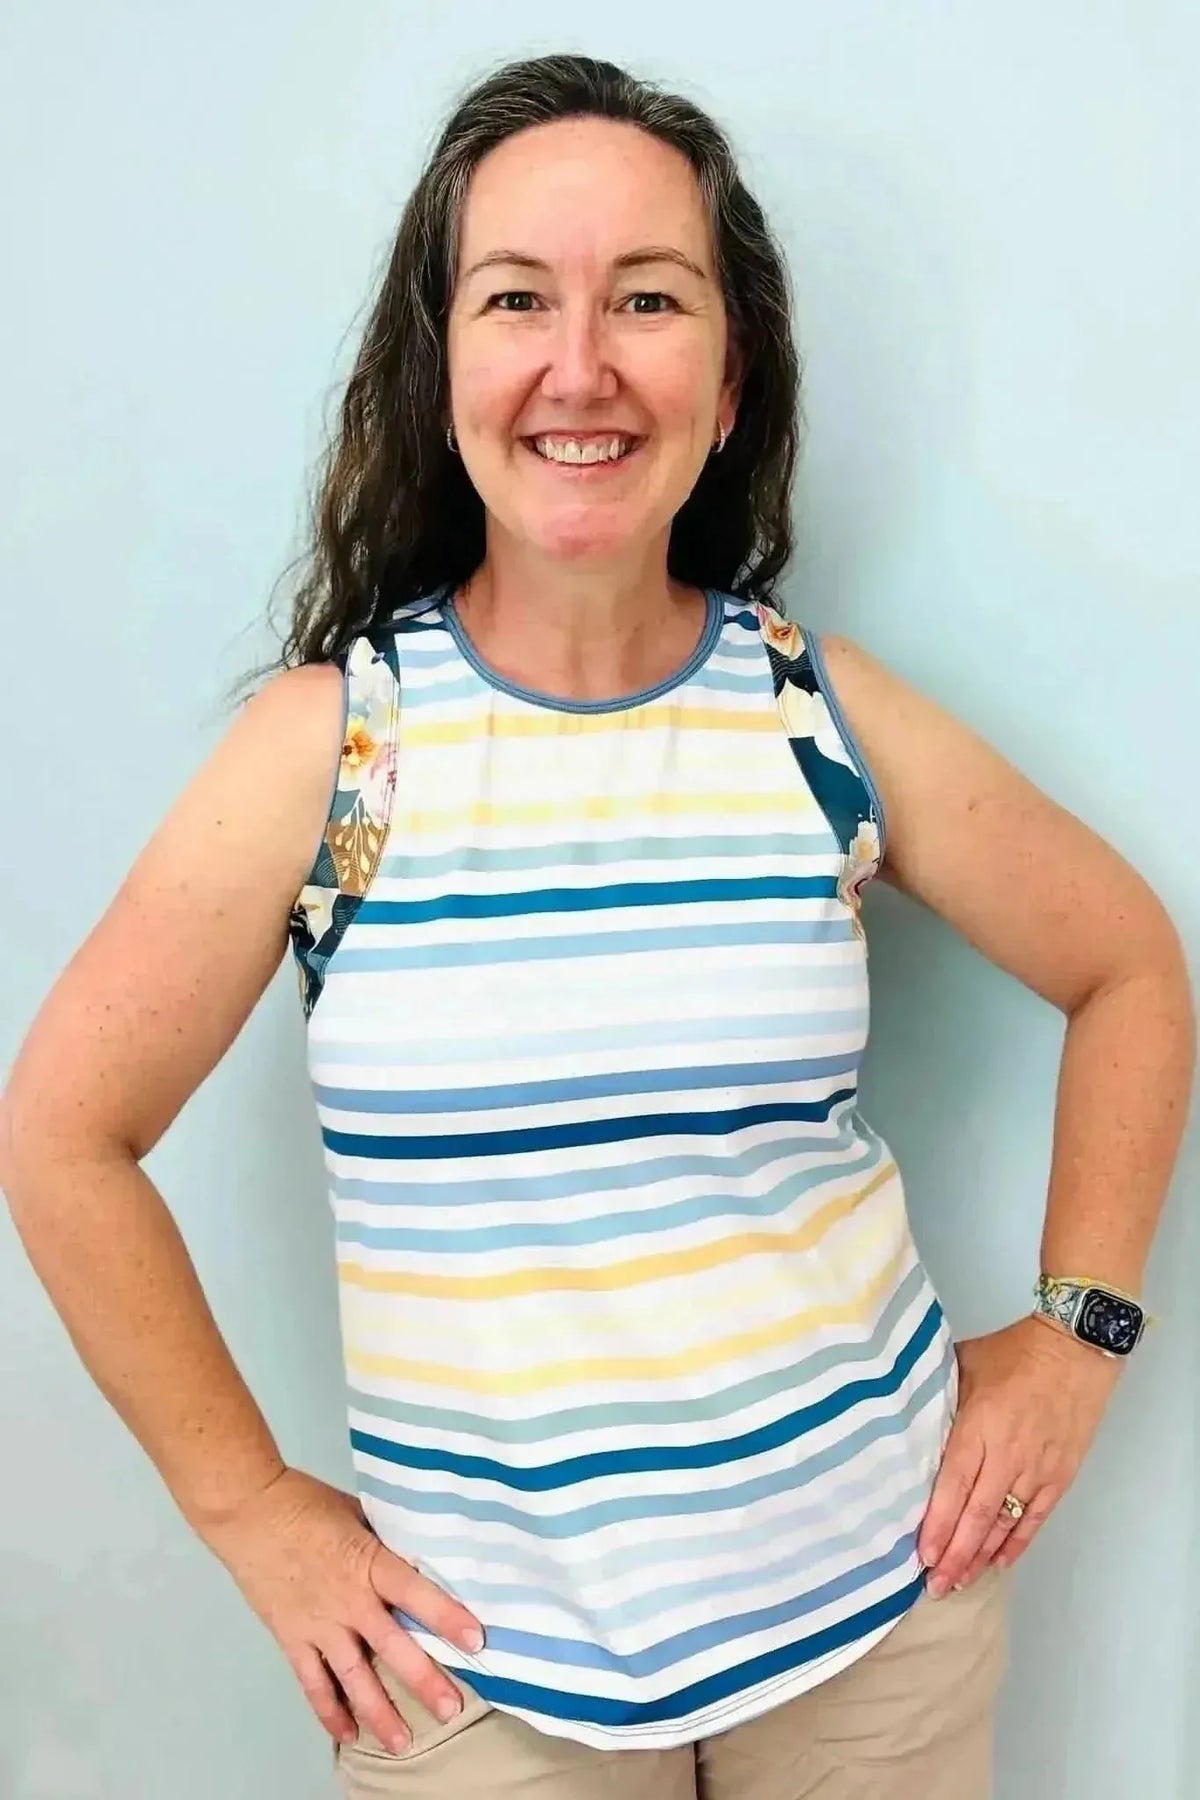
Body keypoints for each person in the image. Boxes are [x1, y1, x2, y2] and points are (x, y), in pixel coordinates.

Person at [1, 49, 1193, 1800]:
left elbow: (1128, 965)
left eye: (648, 296)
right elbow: (61, 1134)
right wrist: (249, 1509)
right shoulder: (336, 746)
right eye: (515, 299)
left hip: (882, 1619)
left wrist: (1081, 1338)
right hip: (477, 1681)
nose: (582, 365)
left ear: (729, 378)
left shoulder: (816, 714)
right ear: (442, 371)